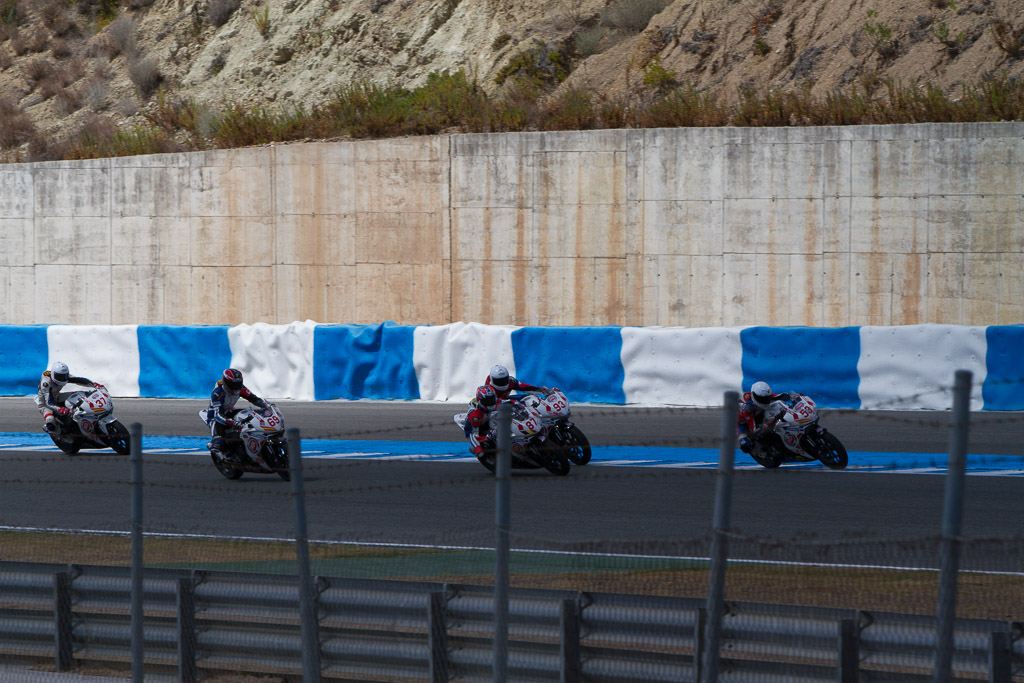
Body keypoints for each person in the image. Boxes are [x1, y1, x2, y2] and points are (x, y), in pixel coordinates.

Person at [205, 368, 268, 459]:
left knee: (250, 414)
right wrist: (233, 423)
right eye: (233, 384)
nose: (236, 387)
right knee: (219, 438)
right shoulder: (218, 393)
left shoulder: (240, 388)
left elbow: (254, 399)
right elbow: (217, 415)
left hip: (230, 411)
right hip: (216, 416)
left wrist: (265, 405)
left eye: (238, 384)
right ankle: (215, 445)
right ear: (226, 382)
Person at [35, 361, 98, 432]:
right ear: (53, 374)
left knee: (81, 394)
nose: (62, 378)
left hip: (57, 396)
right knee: (51, 422)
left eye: (64, 376)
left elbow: (79, 380)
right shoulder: (46, 383)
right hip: (45, 404)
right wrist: (60, 409)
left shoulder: (65, 377)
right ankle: (50, 429)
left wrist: (94, 384)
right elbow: (49, 402)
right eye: (59, 376)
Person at [737, 381, 795, 453]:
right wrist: (772, 421)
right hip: (742, 420)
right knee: (745, 443)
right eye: (762, 399)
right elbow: (754, 431)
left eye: (767, 398)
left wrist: (793, 396)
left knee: (776, 405)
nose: (765, 400)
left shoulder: (766, 396)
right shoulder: (748, 409)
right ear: (754, 397)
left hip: (756, 411)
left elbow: (779, 396)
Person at [464, 384, 499, 456]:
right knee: (471, 432)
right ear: (481, 401)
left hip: (488, 415)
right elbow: (474, 434)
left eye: (492, 399)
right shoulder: (475, 416)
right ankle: (477, 447)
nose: (490, 403)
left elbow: (507, 401)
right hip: (476, 421)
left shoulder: (496, 401)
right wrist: (478, 447)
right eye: (487, 401)